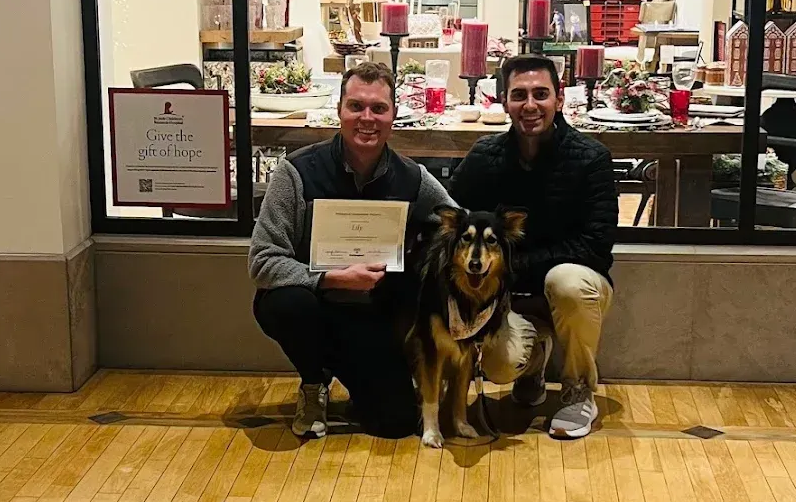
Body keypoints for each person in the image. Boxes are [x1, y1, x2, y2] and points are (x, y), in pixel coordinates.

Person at [249, 62, 453, 439]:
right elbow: (262, 261)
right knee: (285, 304)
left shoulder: (414, 178)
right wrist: (329, 278)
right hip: (312, 308)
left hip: (372, 316)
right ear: (339, 111)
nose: (367, 118)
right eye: (356, 106)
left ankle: (359, 376)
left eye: (379, 108)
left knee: (395, 424)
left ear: (394, 115)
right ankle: (314, 382)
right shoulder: (296, 171)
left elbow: (456, 224)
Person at [448, 54, 617, 439]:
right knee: (499, 367)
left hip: (574, 289)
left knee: (566, 280)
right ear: (503, 101)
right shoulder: (484, 157)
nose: (530, 105)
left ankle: (578, 391)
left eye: (541, 94)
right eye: (518, 95)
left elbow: (596, 247)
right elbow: (452, 219)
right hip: (506, 298)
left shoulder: (592, 159)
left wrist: (511, 265)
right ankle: (533, 363)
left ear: (559, 98)